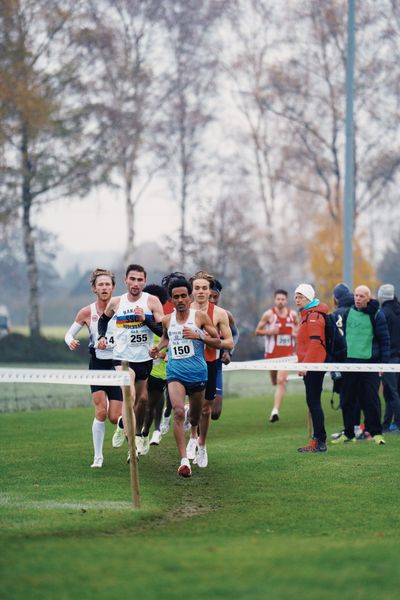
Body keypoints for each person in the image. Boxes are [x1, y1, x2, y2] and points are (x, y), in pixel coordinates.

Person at [149, 277, 222, 477]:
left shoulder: (200, 317)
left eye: (183, 296)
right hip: (175, 373)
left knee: (195, 417)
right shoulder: (167, 319)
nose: (180, 300)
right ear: (171, 300)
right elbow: (166, 336)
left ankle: (195, 436)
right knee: (179, 412)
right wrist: (158, 348)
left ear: (189, 298)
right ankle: (184, 461)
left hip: (198, 374)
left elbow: (217, 341)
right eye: (176, 297)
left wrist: (199, 336)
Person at [97, 264, 164, 459]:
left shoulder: (152, 302)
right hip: (122, 358)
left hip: (144, 359)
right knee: (130, 397)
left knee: (142, 401)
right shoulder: (116, 302)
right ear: (126, 280)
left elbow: (163, 331)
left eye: (139, 280)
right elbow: (103, 320)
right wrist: (102, 336)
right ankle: (132, 446)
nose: (135, 283)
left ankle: (124, 426)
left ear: (144, 281)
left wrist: (145, 321)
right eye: (132, 279)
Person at [64, 268, 122, 468]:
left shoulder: (122, 307)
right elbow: (68, 334)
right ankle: (98, 457)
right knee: (101, 412)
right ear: (94, 288)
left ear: (113, 287)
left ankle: (128, 434)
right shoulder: (87, 311)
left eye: (108, 284)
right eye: (101, 284)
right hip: (97, 365)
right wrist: (70, 341)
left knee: (115, 417)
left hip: (118, 366)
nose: (104, 288)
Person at [332, 285, 390, 445]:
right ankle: (349, 433)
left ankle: (376, 433)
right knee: (347, 399)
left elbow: (385, 341)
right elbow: (339, 339)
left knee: (370, 399)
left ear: (368, 298)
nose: (358, 298)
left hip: (370, 364)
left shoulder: (377, 315)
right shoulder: (346, 313)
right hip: (349, 364)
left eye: (361, 296)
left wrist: (383, 365)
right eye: (356, 295)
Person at [186, 271, 234, 468]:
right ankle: (192, 436)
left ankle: (202, 445)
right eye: (197, 288)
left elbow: (229, 342)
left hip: (211, 363)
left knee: (206, 409)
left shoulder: (220, 314)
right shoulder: (184, 310)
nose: (200, 292)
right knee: (192, 406)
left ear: (209, 290)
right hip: (188, 363)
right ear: (192, 290)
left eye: (204, 288)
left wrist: (206, 339)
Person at [255, 289, 298, 423]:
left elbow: (299, 330)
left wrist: (296, 334)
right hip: (272, 355)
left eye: (283, 299)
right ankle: (281, 382)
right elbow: (257, 331)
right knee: (275, 381)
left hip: (288, 355)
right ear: (275, 300)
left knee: (280, 381)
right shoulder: (269, 315)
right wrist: (270, 331)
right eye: (278, 299)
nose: (280, 301)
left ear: (286, 300)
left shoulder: (293, 315)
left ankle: (275, 411)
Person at [294, 283, 328, 453]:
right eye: (296, 296)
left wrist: (305, 365)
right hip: (311, 365)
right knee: (312, 402)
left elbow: (315, 343)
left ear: (308, 298)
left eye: (300, 296)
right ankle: (317, 440)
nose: (296, 299)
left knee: (314, 402)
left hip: (314, 365)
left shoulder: (314, 316)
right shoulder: (307, 315)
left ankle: (320, 441)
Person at [141, 284, 169, 446]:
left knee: (153, 404)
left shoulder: (165, 321)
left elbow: (172, 343)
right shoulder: (137, 318)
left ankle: (152, 431)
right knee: (141, 402)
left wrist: (164, 354)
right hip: (141, 367)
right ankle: (139, 433)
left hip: (159, 370)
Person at [209, 279, 239, 420]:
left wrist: (228, 352)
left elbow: (235, 334)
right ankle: (195, 438)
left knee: (215, 413)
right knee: (200, 408)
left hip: (217, 366)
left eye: (216, 297)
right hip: (197, 366)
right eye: (210, 296)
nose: (213, 300)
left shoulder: (225, 315)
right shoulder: (194, 314)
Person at [378, 284, 400, 434]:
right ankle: (386, 424)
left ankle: (397, 423)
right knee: (395, 391)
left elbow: (381, 338)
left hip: (389, 358)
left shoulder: (384, 313)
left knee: (390, 393)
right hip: (398, 356)